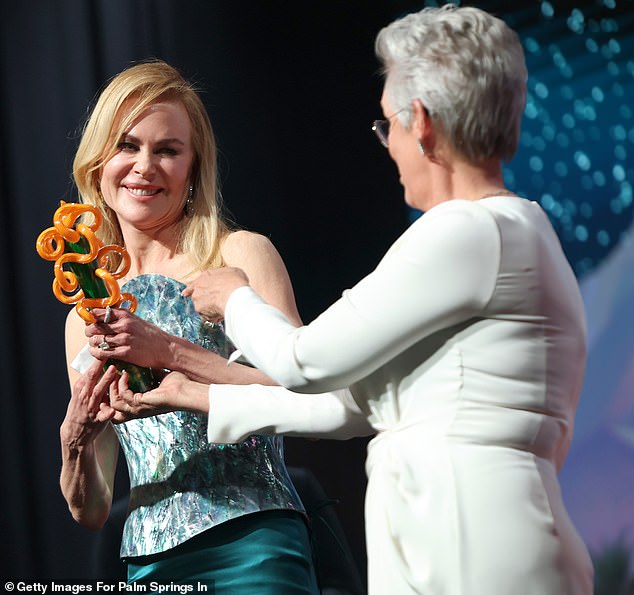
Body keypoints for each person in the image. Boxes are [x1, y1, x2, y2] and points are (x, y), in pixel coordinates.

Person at [109, 6, 595, 594]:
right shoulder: (515, 230)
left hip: (472, 530)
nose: (386, 144)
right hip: (465, 525)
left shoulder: (467, 231)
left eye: (386, 124)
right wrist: (192, 391)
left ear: (421, 122)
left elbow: (306, 361)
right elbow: (349, 405)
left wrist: (235, 298)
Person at [60, 59, 328, 593]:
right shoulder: (82, 316)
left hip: (254, 543)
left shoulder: (238, 254)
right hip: (149, 565)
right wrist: (74, 441)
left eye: (167, 150)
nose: (145, 166)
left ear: (192, 166)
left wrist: (169, 353)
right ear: (97, 162)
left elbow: (307, 392)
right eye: (128, 145)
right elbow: (91, 510)